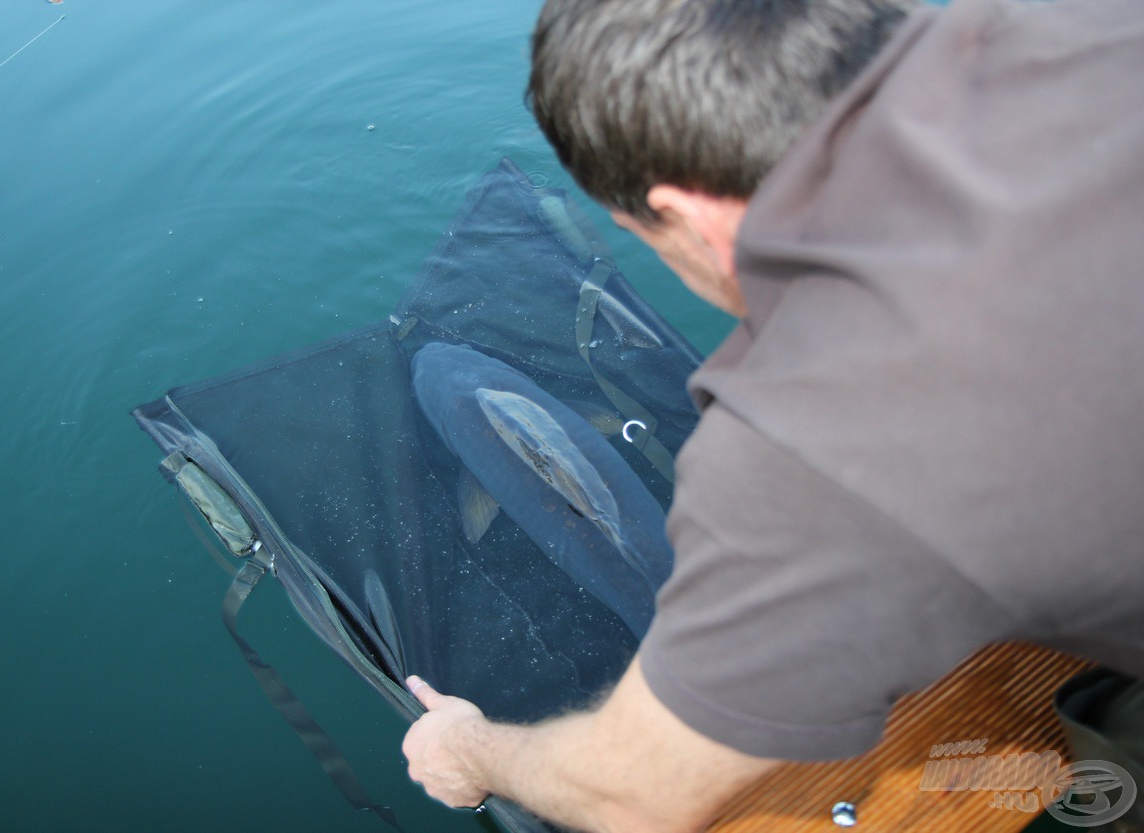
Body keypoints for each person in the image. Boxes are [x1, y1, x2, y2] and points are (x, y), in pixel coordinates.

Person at [402, 0, 1144, 831]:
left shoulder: (810, 443)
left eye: (641, 233)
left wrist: (467, 750)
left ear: (686, 216)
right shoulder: (1086, 25)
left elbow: (635, 794)